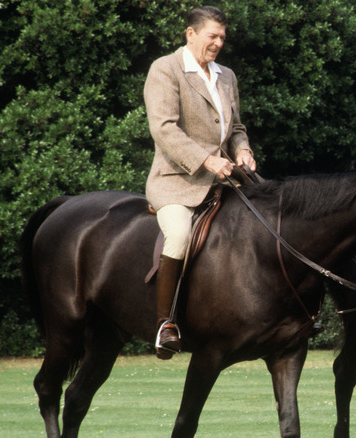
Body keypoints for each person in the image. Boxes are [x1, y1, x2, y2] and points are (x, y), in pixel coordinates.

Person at [144, 6, 256, 359]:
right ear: (190, 34)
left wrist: (244, 152)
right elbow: (164, 128)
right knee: (178, 234)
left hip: (226, 179)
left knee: (276, 218)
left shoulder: (226, 76)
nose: (219, 43)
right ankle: (166, 324)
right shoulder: (166, 69)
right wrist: (206, 160)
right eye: (212, 36)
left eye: (222, 37)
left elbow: (235, 128)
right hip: (178, 180)